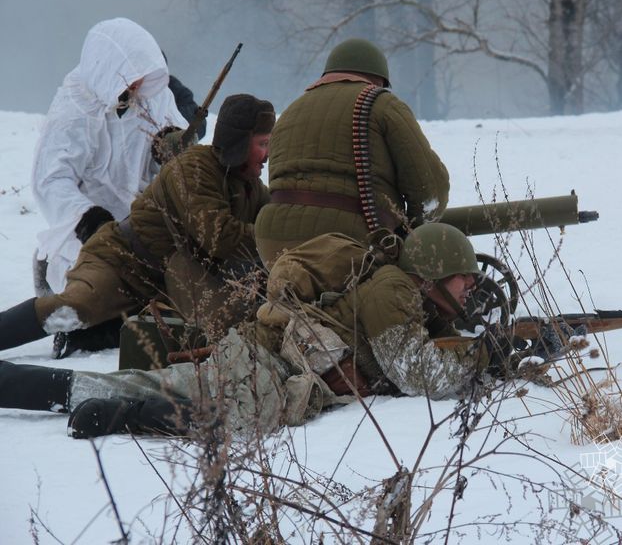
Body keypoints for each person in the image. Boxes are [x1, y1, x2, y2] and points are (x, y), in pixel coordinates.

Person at [0, 224, 529, 439]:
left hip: (265, 362)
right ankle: (25, 387)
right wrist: (490, 356)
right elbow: (416, 373)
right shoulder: (392, 290)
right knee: (186, 405)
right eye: (465, 278)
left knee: (170, 392)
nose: (470, 288)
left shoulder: (404, 293)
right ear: (435, 270)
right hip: (267, 369)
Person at [0, 93, 275, 357]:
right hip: (121, 262)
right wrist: (272, 236)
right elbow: (218, 236)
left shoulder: (251, 189)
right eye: (262, 143)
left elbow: (273, 225)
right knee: (73, 308)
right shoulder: (193, 168)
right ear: (239, 142)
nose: (268, 153)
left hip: (163, 286)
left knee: (200, 330)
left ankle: (94, 334)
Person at [31, 18, 192, 299]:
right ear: (110, 69)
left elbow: (175, 148)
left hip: (144, 216)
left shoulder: (153, 96)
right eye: (132, 75)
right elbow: (51, 180)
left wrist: (167, 147)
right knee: (96, 288)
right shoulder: (73, 110)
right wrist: (88, 219)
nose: (139, 82)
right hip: (88, 228)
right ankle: (51, 275)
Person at [254, 38, 451, 268]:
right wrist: (413, 230)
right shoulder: (381, 103)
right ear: (378, 79)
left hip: (273, 244)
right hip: (348, 242)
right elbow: (430, 189)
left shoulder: (290, 111)